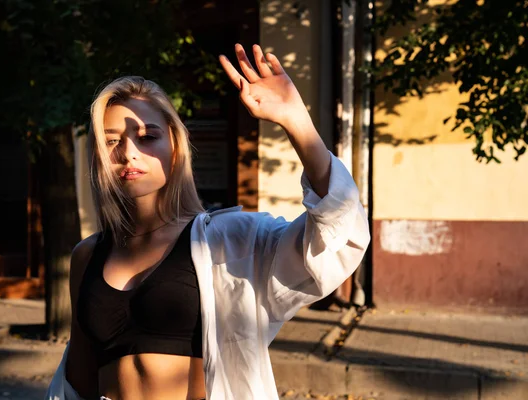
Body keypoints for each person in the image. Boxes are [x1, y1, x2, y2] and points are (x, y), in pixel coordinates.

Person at [45, 43, 370, 400]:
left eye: (147, 136)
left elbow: (333, 237)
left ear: (174, 148)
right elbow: (77, 375)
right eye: (111, 141)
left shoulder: (225, 241)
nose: (129, 152)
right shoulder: (87, 255)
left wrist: (297, 122)